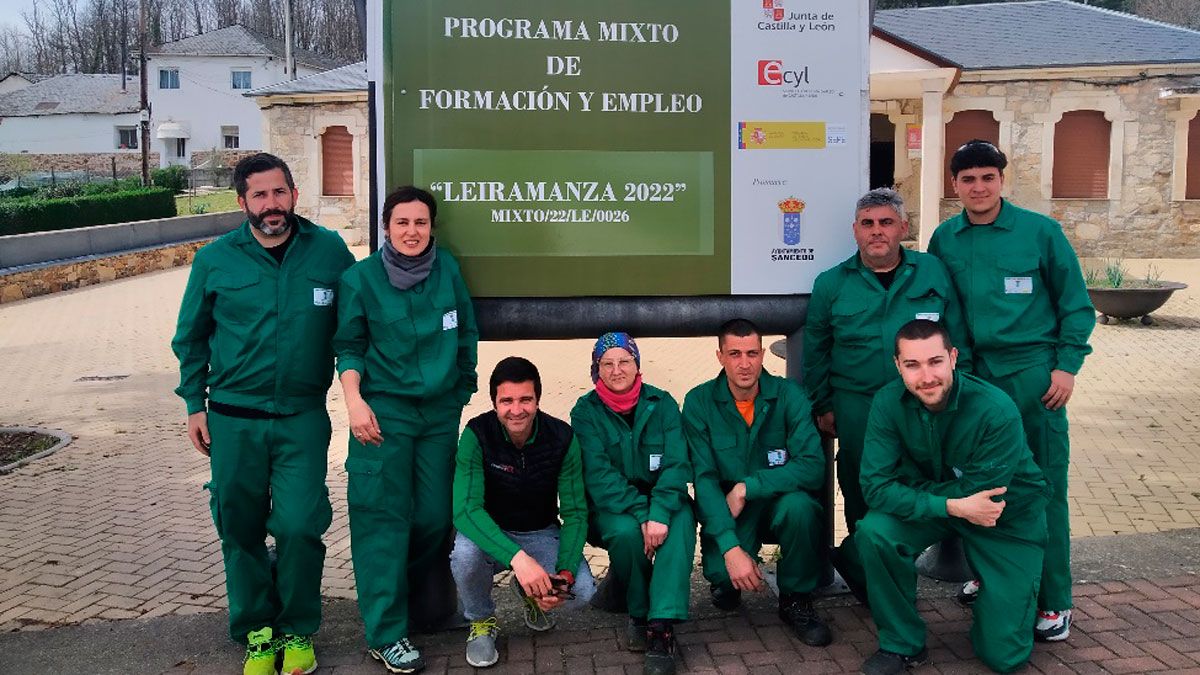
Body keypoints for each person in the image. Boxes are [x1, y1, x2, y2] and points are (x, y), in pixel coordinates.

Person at [172, 152, 355, 675]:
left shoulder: (329, 252)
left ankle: (297, 630)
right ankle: (257, 631)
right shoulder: (215, 260)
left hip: (301, 417)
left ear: (294, 194)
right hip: (232, 419)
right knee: (241, 527)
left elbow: (354, 324)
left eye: (279, 192)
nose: (271, 204)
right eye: (259, 195)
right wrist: (193, 405)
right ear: (242, 202)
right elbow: (191, 338)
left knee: (299, 525)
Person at [929, 140, 1094, 641]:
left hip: (1033, 379)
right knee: (984, 483)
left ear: (1002, 180)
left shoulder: (1040, 233)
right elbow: (945, 311)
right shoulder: (945, 239)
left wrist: (1065, 367)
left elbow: (1076, 305)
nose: (978, 187)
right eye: (968, 179)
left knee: (1043, 488)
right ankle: (995, 576)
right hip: (975, 380)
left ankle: (1054, 602)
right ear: (954, 185)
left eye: (988, 177)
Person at [333, 185, 479, 673]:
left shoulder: (447, 269)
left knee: (437, 517)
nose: (412, 232)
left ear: (431, 226)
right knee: (382, 523)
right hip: (383, 416)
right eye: (402, 223)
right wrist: (354, 403)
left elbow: (466, 333)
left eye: (420, 222)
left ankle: (420, 607)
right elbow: (349, 346)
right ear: (386, 227)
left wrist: (461, 388)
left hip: (438, 415)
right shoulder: (360, 279)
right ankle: (385, 632)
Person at [855, 319, 1050, 674]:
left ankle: (999, 602)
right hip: (950, 507)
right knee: (875, 532)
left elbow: (983, 496)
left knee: (1004, 657)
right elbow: (875, 485)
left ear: (953, 357)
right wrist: (947, 505)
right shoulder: (886, 403)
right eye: (912, 365)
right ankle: (901, 644)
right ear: (898, 365)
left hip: (1002, 516)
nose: (926, 376)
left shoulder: (995, 409)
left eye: (935, 361)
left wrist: (917, 492)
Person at [803, 187, 969, 599]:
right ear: (855, 231)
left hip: (925, 402)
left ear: (903, 228)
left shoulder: (932, 271)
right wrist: (822, 403)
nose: (877, 232)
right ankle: (875, 581)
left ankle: (869, 565)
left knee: (924, 485)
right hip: (857, 405)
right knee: (862, 491)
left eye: (886, 223)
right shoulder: (831, 284)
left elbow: (957, 337)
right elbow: (816, 349)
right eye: (868, 224)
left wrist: (958, 398)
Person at [683, 318, 832, 646]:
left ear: (763, 354)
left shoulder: (789, 395)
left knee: (802, 507)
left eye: (752, 353)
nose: (744, 363)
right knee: (723, 574)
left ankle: (795, 597)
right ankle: (728, 578)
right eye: (734, 354)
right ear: (720, 356)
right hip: (730, 511)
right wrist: (729, 546)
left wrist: (747, 487)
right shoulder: (699, 402)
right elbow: (704, 480)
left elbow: (812, 466)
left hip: (777, 499)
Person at [450, 356, 596, 668]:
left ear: (538, 399)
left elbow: (575, 513)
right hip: (487, 531)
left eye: (525, 399)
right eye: (507, 401)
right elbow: (465, 511)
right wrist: (520, 560)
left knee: (581, 591)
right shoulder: (476, 434)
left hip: (539, 532)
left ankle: (531, 594)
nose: (516, 410)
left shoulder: (562, 437)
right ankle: (480, 621)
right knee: (464, 556)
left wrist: (566, 572)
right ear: (493, 402)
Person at [570, 332, 696, 675]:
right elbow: (598, 475)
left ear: (637, 364)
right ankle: (638, 613)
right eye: (606, 363)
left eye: (624, 360)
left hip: (664, 496)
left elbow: (677, 464)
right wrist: (643, 513)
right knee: (627, 534)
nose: (616, 370)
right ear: (596, 369)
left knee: (679, 522)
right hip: (614, 506)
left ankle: (661, 625)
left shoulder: (663, 403)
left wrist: (657, 511)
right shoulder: (585, 412)